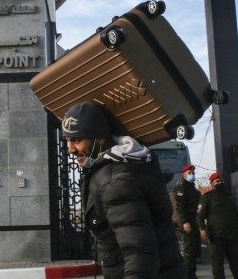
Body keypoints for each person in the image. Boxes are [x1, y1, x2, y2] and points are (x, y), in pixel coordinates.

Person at [62, 101, 185, 279]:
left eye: (76, 140)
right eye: (67, 141)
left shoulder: (113, 181)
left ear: (100, 137)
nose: (70, 149)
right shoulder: (129, 163)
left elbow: (139, 252)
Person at [198, 172, 238, 279]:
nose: (220, 182)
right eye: (217, 181)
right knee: (217, 265)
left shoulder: (229, 196)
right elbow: (200, 216)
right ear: (212, 183)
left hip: (232, 236)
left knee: (237, 263)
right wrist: (202, 229)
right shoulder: (207, 197)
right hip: (216, 237)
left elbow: (236, 213)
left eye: (221, 181)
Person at [173, 164, 201, 279]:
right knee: (188, 251)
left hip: (193, 221)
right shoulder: (181, 186)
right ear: (184, 174)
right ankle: (187, 276)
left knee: (194, 250)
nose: (192, 175)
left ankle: (192, 275)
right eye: (190, 173)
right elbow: (180, 205)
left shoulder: (191, 186)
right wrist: (185, 222)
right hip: (186, 222)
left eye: (193, 173)